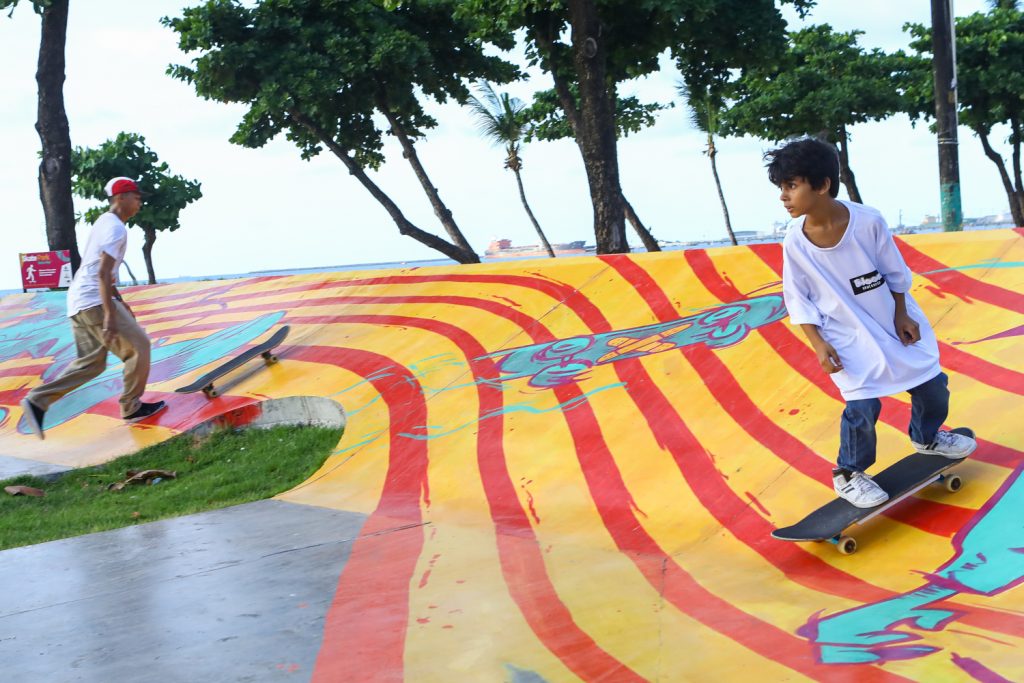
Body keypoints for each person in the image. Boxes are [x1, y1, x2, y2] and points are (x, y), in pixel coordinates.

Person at [767, 138, 975, 508]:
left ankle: (926, 437)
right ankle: (849, 473)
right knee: (863, 408)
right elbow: (797, 298)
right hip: (844, 334)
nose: (784, 196)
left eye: (791, 185)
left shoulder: (867, 221)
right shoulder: (795, 243)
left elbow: (894, 272)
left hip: (890, 319)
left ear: (823, 184)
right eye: (782, 187)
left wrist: (901, 313)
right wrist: (818, 344)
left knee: (932, 387)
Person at [20, 177, 166, 439]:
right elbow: (102, 273)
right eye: (135, 196)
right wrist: (110, 314)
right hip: (94, 302)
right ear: (120, 198)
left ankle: (37, 401)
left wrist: (120, 303)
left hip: (77, 302)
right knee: (140, 347)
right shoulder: (116, 229)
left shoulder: (104, 222)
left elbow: (103, 273)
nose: (139, 202)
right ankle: (132, 407)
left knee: (91, 364)